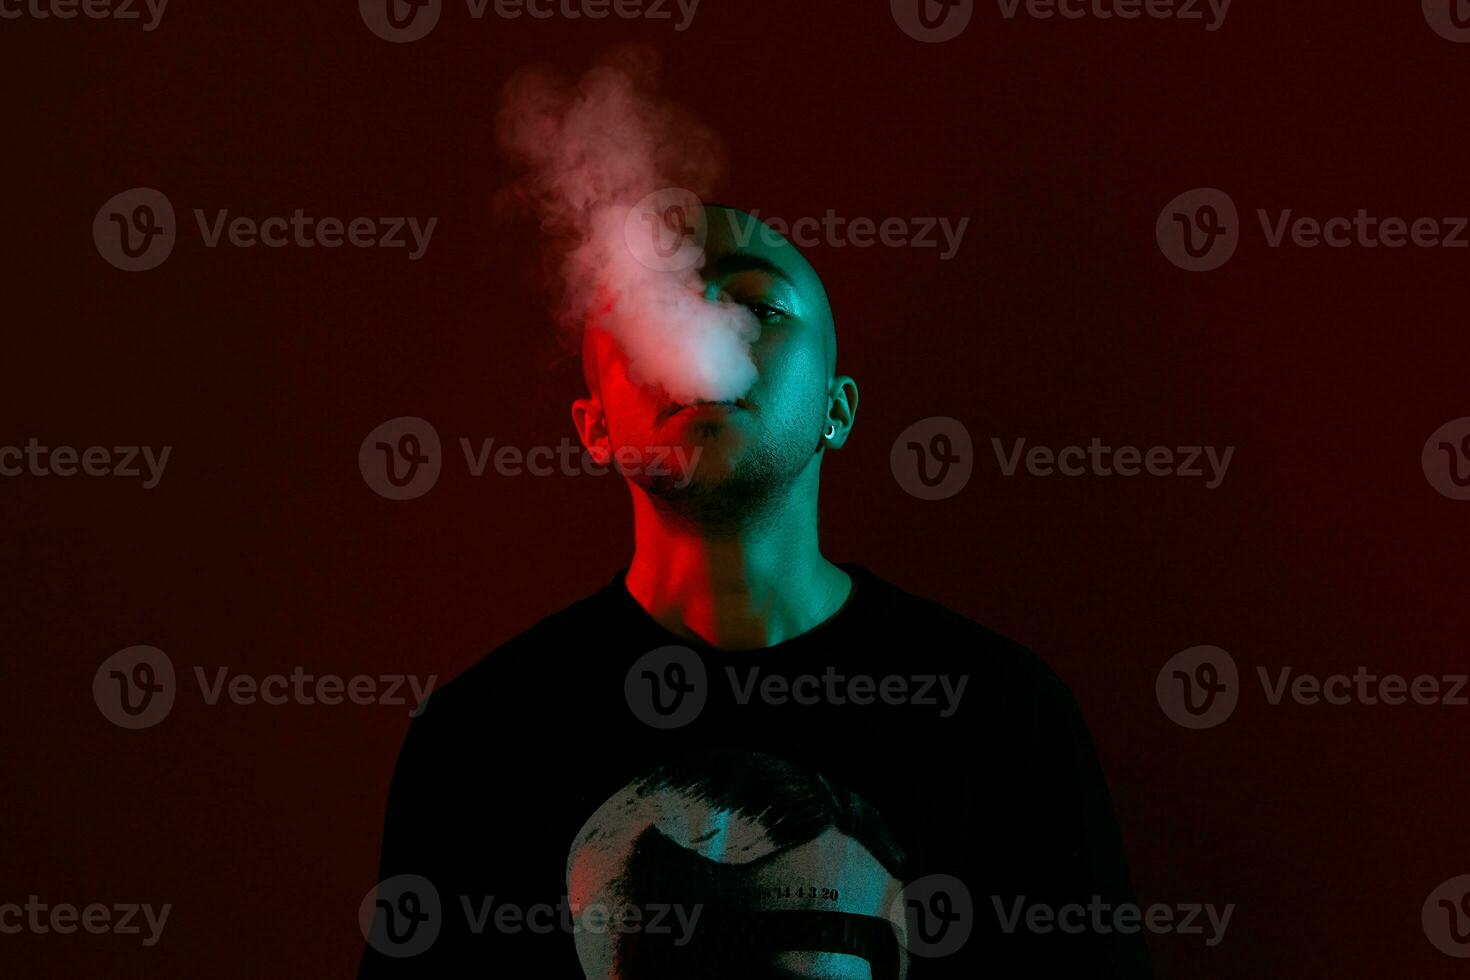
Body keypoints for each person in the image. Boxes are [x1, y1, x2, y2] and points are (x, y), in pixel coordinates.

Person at [357, 205, 1152, 978]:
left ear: (837, 410)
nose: (698, 337)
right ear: (594, 426)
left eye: (757, 307)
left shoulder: (1000, 714)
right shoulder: (482, 740)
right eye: (652, 311)